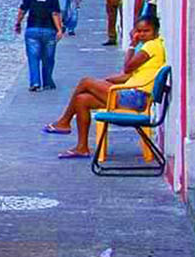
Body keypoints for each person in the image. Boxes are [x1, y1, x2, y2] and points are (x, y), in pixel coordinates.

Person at [43, 15, 166, 159]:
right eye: (139, 31)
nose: (142, 34)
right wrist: (104, 82)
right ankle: (82, 147)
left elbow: (127, 68)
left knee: (85, 82)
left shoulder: (152, 46)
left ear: (156, 31)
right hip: (131, 94)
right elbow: (129, 75)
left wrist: (132, 44)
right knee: (82, 100)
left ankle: (64, 121)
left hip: (135, 97)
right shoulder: (150, 47)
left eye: (147, 31)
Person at [15, 0, 63, 91]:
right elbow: (55, 13)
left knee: (33, 57)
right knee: (48, 58)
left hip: (32, 29)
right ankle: (47, 81)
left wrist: (18, 23)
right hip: (49, 30)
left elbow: (22, 10)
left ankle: (35, 82)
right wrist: (59, 29)